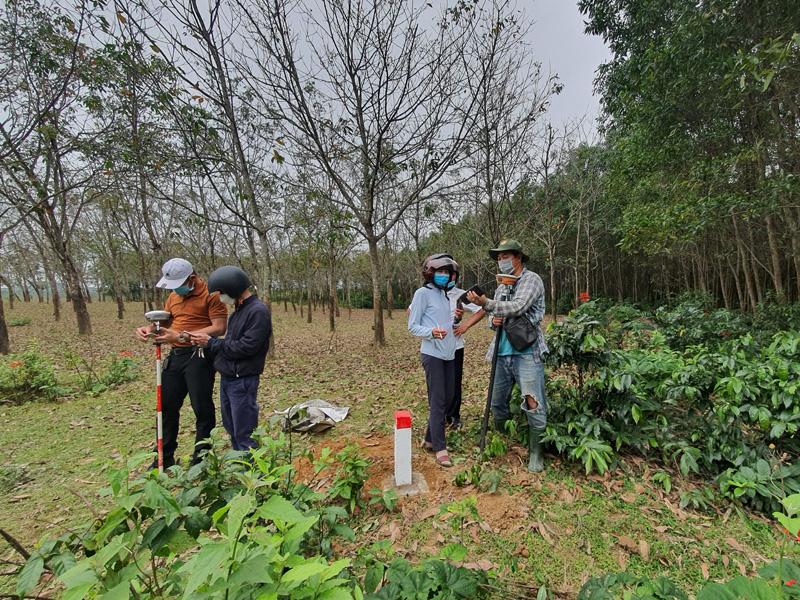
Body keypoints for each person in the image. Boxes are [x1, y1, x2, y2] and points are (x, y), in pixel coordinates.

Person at [135, 258, 228, 468]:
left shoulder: (211, 295)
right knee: (166, 406)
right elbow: (166, 322)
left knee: (201, 408)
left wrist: (181, 335)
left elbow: (219, 328)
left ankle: (201, 459)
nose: (177, 289)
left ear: (192, 278)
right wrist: (149, 329)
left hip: (199, 356)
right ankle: (163, 457)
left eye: (179, 284)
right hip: (176, 355)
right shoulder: (173, 296)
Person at [466, 240, 549, 472]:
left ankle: (536, 451)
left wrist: (487, 303)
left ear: (518, 257)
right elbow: (495, 320)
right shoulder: (502, 286)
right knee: (496, 401)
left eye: (506, 256)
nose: (501, 261)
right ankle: (503, 437)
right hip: (501, 352)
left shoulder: (532, 280)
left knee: (533, 401)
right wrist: (493, 320)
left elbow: (518, 307)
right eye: (499, 257)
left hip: (527, 352)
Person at [190, 266, 272, 452]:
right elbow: (231, 343)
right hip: (228, 378)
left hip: (242, 380)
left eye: (221, 293)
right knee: (232, 429)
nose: (221, 298)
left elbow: (247, 347)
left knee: (244, 433)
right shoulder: (239, 311)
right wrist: (210, 344)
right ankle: (241, 470)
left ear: (232, 288)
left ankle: (252, 476)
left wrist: (212, 343)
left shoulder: (257, 311)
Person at [408, 254, 459, 467]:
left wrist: (455, 320)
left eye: (447, 272)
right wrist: (431, 332)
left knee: (447, 399)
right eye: (440, 271)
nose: (443, 275)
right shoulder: (423, 293)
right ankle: (440, 447)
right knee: (438, 400)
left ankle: (429, 439)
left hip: (449, 353)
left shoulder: (445, 296)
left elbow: (445, 324)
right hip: (432, 354)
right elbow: (412, 326)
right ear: (430, 273)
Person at [446, 263, 484, 430]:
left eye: (453, 274)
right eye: (445, 273)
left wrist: (465, 325)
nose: (449, 277)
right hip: (433, 347)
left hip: (455, 346)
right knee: (437, 383)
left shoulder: (461, 295)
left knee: (454, 382)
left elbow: (483, 309)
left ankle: (454, 416)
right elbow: (412, 311)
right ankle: (438, 415)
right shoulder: (428, 293)